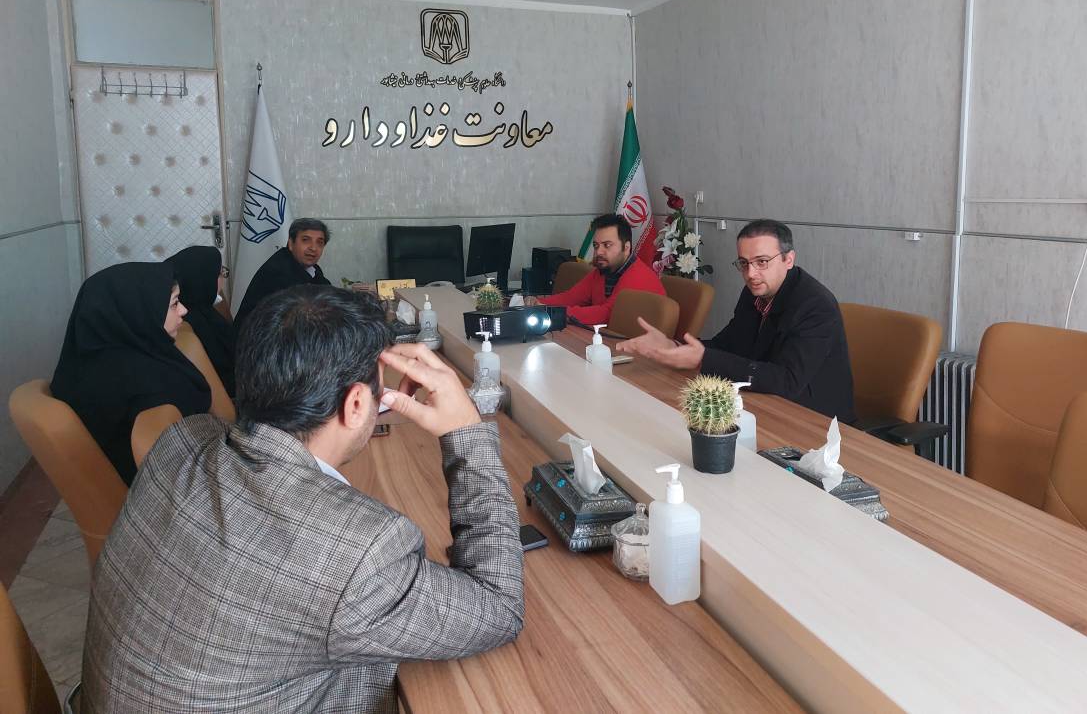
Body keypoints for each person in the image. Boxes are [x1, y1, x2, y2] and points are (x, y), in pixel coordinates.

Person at [81, 285, 524, 713]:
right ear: (356, 404)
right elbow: (498, 608)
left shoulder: (183, 439)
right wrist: (466, 433)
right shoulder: (356, 556)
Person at [618, 219, 855, 422]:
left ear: (788, 259)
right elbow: (729, 344)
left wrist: (702, 359)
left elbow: (787, 381)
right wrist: (673, 346)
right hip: (764, 404)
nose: (751, 274)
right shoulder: (755, 292)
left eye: (762, 262)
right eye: (744, 263)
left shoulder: (815, 305)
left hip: (818, 422)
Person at [50, 262, 211, 484]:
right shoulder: (144, 385)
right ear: (139, 312)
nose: (183, 310)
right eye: (174, 303)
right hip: (161, 489)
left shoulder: (86, 364)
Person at [527, 213, 665, 326]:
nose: (599, 252)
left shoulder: (638, 276)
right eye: (596, 245)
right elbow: (572, 297)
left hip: (638, 347)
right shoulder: (604, 270)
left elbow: (606, 314)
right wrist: (538, 303)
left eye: (607, 245)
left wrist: (551, 311)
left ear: (626, 248)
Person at [233, 218, 332, 331]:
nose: (313, 248)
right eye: (306, 240)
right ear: (291, 244)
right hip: (256, 337)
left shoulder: (310, 268)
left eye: (319, 242)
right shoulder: (279, 272)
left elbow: (327, 292)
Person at [166, 245, 235, 396]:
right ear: (203, 279)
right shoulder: (188, 325)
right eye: (219, 274)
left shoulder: (204, 309)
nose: (223, 278)